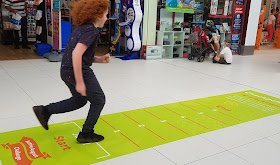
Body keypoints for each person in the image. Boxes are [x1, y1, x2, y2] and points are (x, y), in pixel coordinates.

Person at [33, 0, 110, 143]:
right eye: (106, 15)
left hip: (66, 71)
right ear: (97, 14)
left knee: (79, 100)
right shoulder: (92, 31)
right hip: (78, 71)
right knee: (99, 100)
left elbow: (80, 54)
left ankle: (45, 111)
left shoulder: (81, 28)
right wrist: (80, 82)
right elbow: (76, 54)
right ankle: (86, 133)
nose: (107, 19)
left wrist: (99, 59)